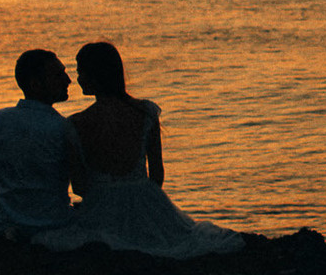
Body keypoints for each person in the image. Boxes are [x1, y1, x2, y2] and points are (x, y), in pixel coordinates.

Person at [32, 40, 243, 258]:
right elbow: (157, 174)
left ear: (94, 75)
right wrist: (144, 202)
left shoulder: (75, 124)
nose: (77, 79)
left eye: (80, 72)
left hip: (102, 207)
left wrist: (104, 197)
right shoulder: (146, 112)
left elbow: (79, 186)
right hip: (147, 200)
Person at [0, 48, 88, 243]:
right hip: (55, 227)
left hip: (5, 228)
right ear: (36, 85)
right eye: (58, 75)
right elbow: (81, 184)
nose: (68, 80)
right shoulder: (63, 127)